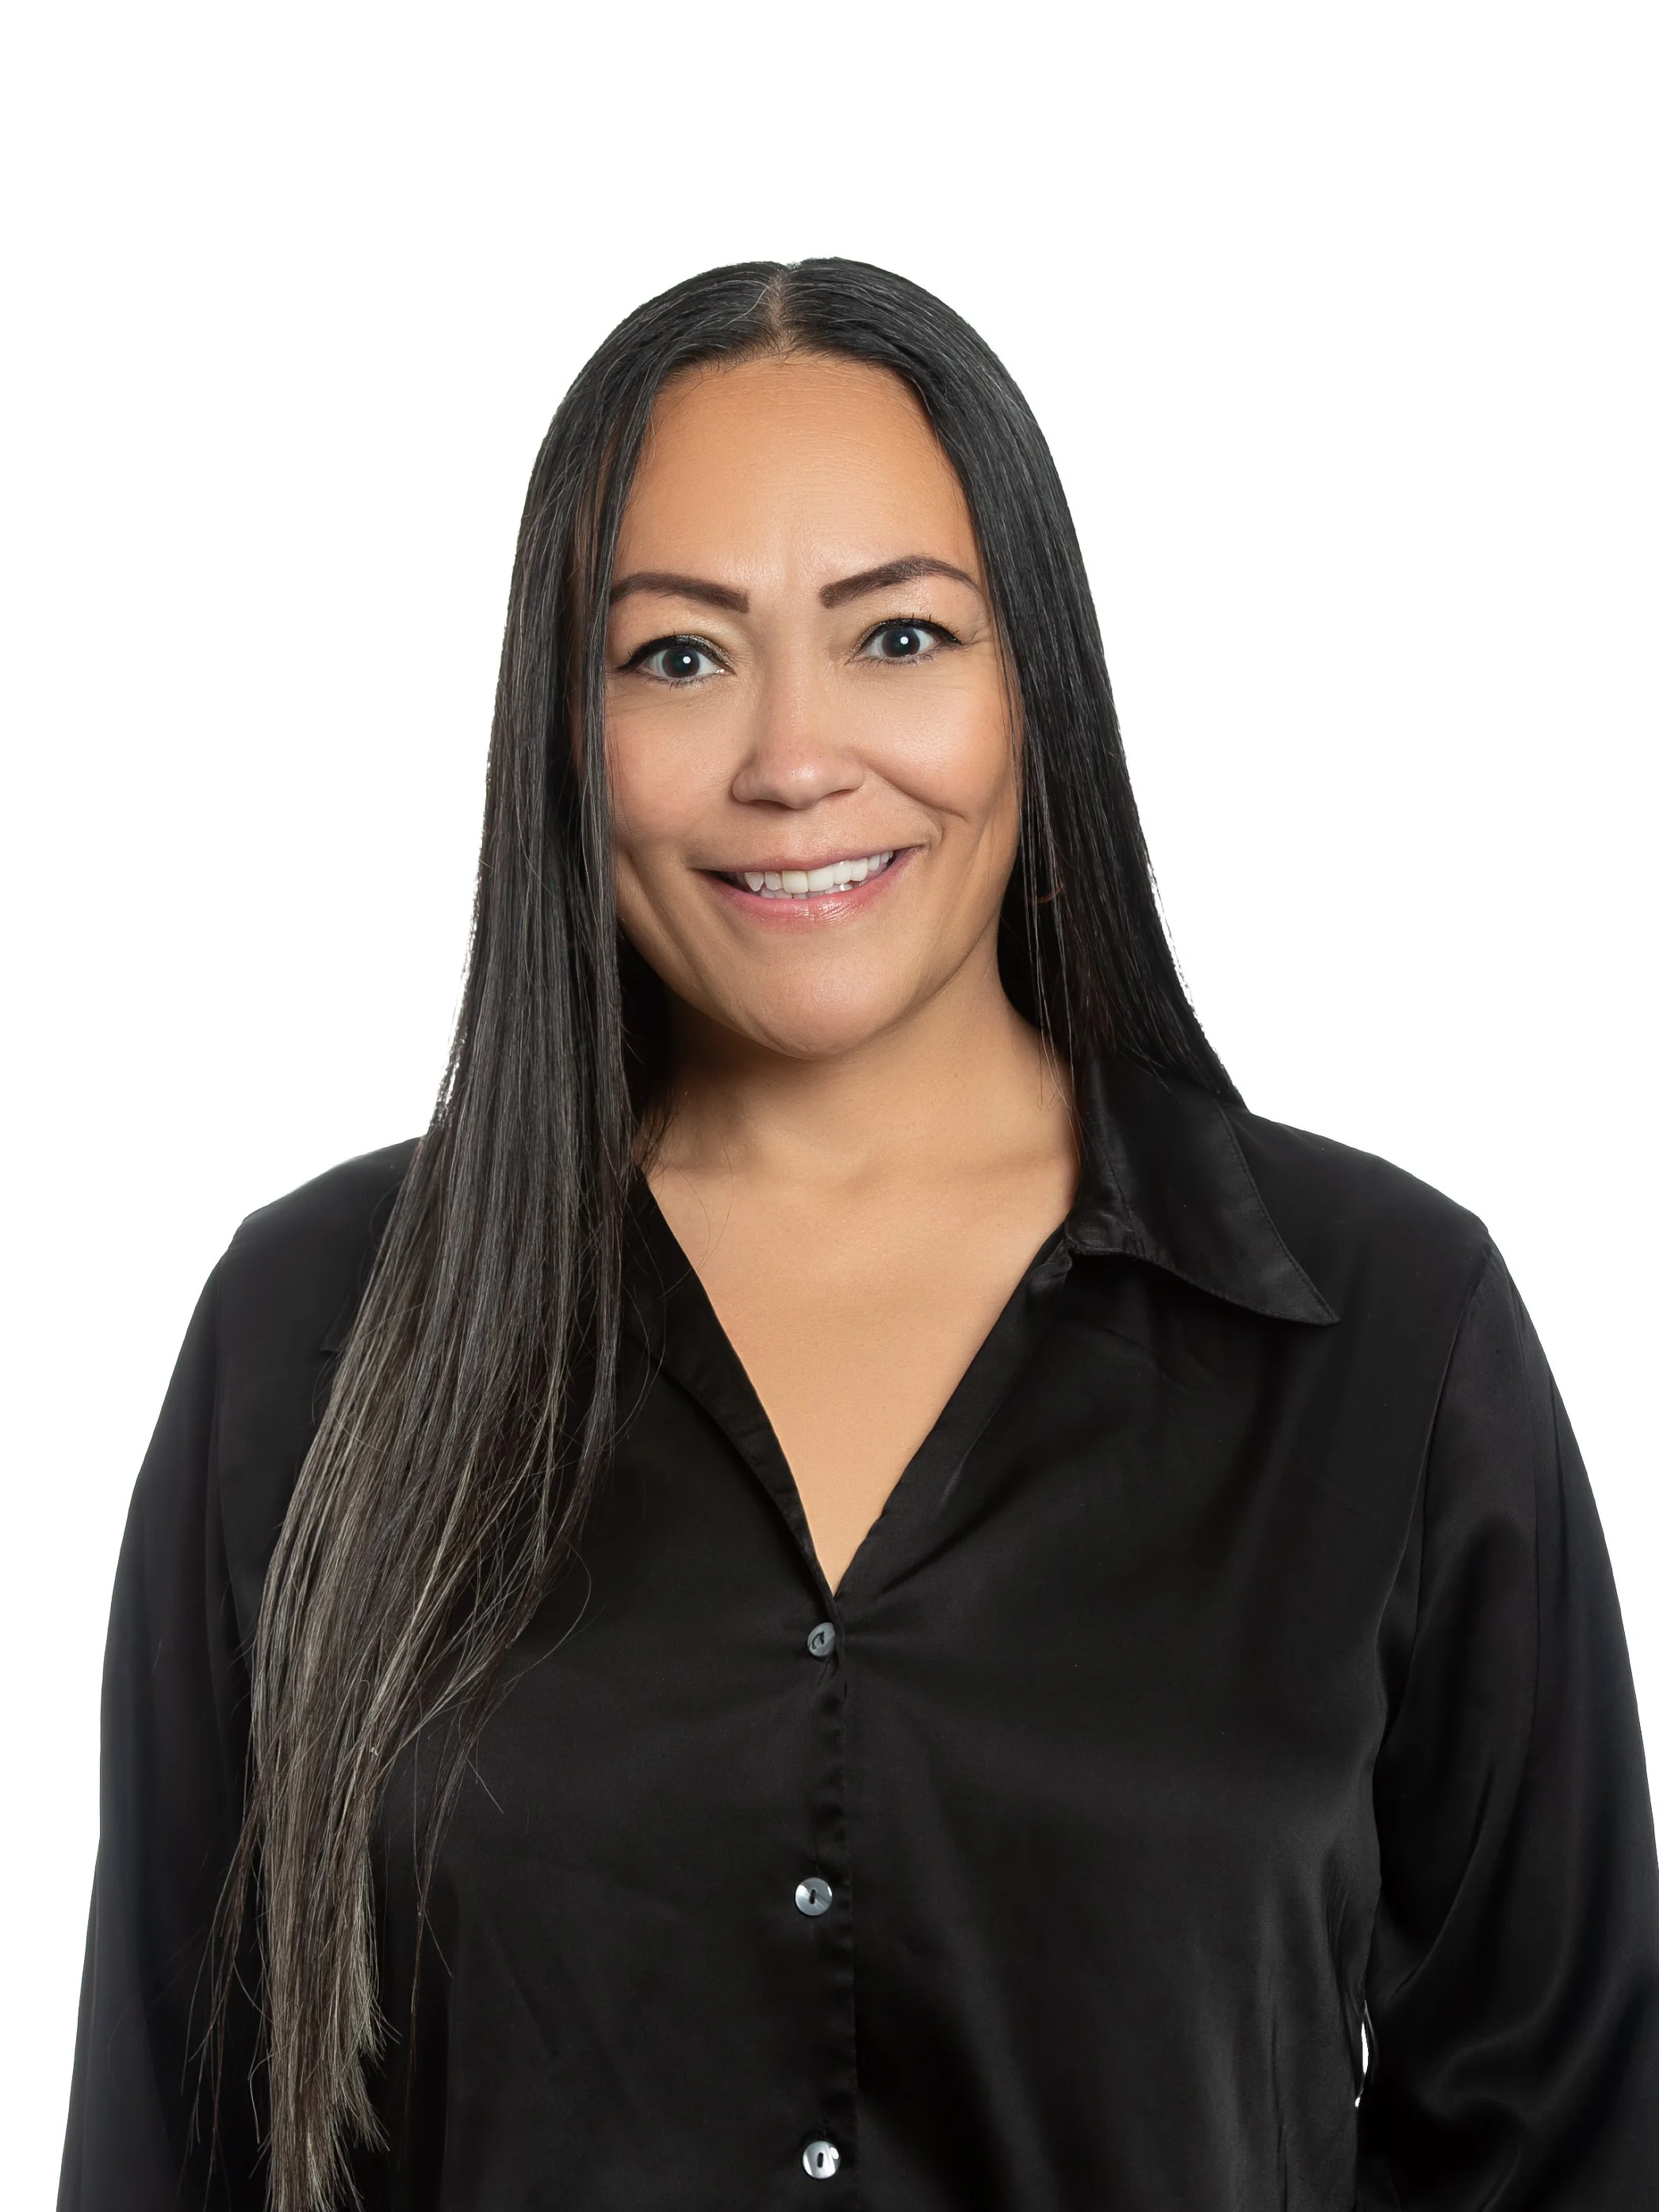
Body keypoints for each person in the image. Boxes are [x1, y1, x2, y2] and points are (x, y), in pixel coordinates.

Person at [59, 259, 1659, 2212]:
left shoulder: (1384, 1330)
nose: (793, 759)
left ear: (1030, 683)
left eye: (897, 636)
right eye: (676, 657)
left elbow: (1567, 2145)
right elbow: (177, 2137)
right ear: (559, 729)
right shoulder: (311, 1333)